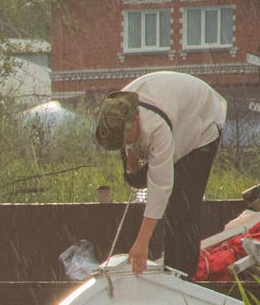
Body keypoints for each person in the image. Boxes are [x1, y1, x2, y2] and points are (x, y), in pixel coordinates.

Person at [96, 70, 225, 274]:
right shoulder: (119, 106)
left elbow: (160, 185)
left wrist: (141, 242)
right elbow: (132, 149)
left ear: (135, 120)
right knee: (141, 182)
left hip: (201, 121)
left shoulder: (156, 126)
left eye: (126, 138)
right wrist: (131, 160)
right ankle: (171, 268)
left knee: (182, 207)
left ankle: (183, 276)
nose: (125, 143)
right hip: (175, 114)